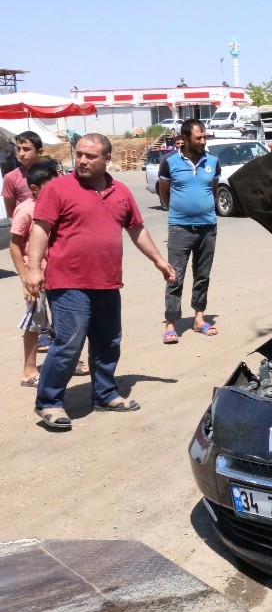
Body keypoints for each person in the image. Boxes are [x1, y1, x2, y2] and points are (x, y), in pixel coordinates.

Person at [24, 134, 175, 429]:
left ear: (107, 158)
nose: (81, 160)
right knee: (69, 343)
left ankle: (105, 394)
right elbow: (40, 230)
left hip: (107, 281)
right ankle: (49, 402)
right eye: (79, 154)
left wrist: (158, 260)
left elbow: (136, 229)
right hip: (68, 281)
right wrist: (33, 269)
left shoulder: (120, 191)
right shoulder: (57, 188)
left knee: (108, 341)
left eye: (90, 156)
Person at [158, 119, 221, 344]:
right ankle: (171, 323)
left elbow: (213, 191)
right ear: (184, 139)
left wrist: (203, 209)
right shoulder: (169, 162)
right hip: (179, 228)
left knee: (202, 276)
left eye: (205, 137)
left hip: (207, 228)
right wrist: (178, 211)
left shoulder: (213, 161)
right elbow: (164, 193)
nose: (203, 141)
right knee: (175, 276)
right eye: (198, 138)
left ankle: (199, 318)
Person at [10, 162, 59, 387]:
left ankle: (64, 362)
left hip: (57, 274)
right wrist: (26, 278)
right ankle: (29, 371)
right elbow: (15, 246)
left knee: (63, 321)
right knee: (35, 323)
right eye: (50, 187)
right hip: (35, 277)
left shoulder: (56, 206)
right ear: (34, 188)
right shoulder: (26, 210)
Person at [3, 131, 44, 219]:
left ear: (40, 151)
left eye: (26, 149)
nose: (21, 154)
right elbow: (10, 214)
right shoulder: (10, 178)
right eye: (18, 149)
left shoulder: (52, 175)